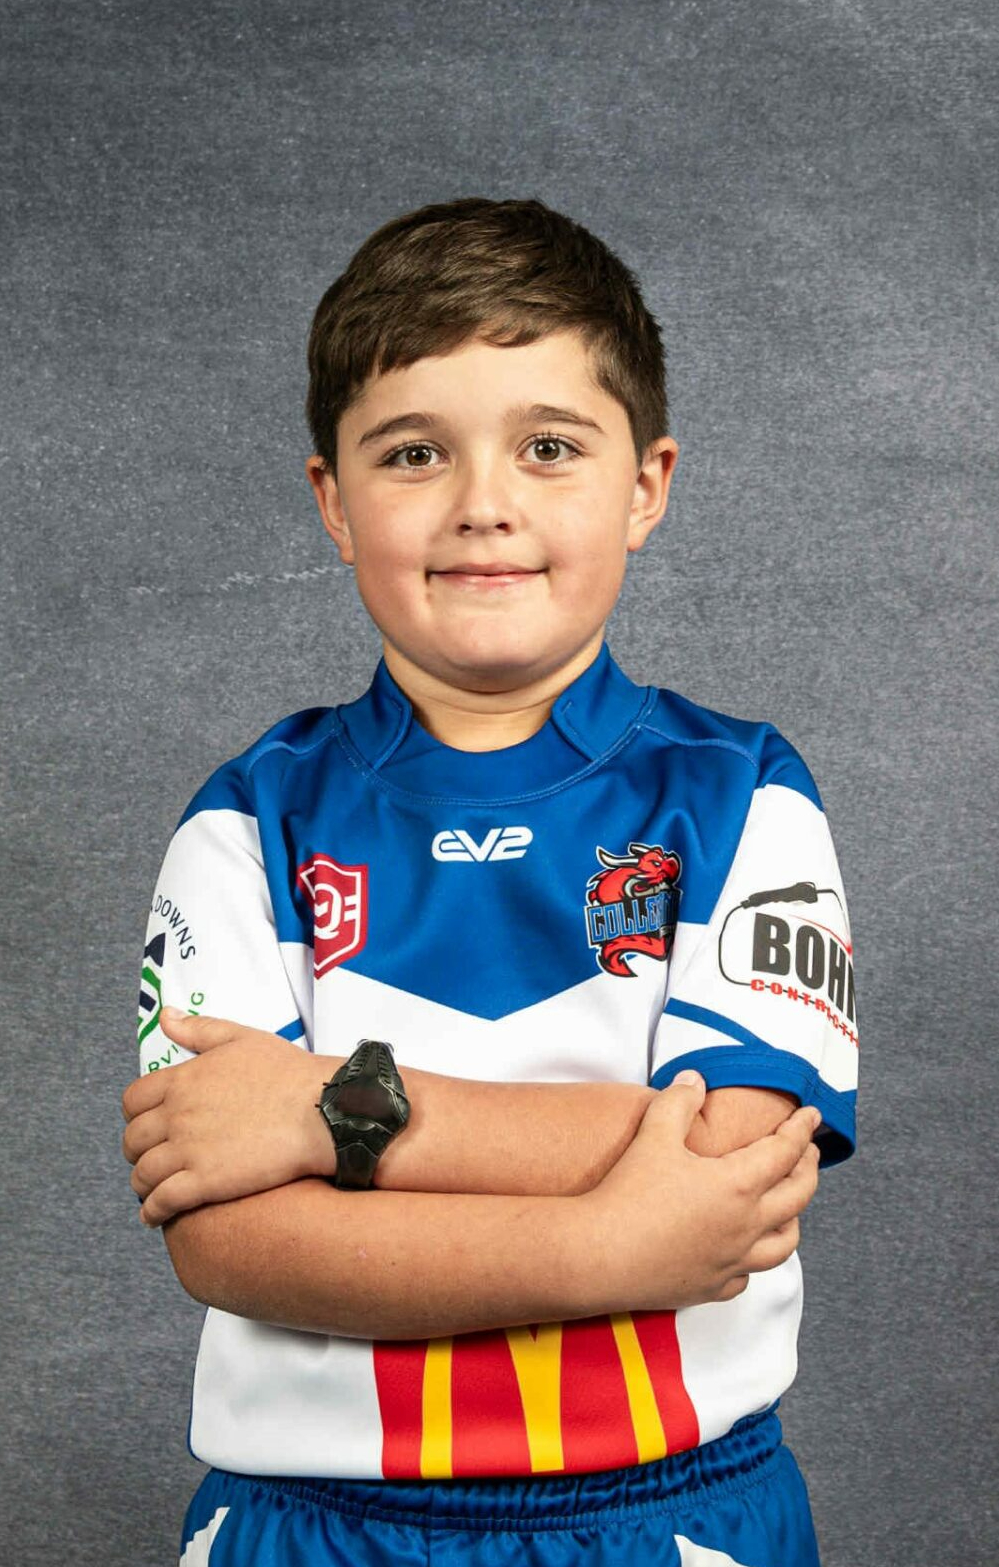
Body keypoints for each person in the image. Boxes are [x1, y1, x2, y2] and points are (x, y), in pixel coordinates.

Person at [122, 196, 858, 1567]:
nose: (483, 504)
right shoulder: (248, 823)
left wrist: (328, 1111)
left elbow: (732, 1166)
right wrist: (612, 1244)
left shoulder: (743, 797)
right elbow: (225, 1241)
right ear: (333, 504)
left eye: (549, 446)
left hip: (668, 1515)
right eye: (414, 453)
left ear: (647, 484)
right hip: (314, 1526)